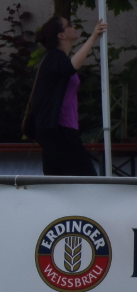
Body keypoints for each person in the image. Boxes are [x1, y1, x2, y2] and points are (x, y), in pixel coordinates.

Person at [24, 14, 107, 175]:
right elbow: (70, 66)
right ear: (61, 35)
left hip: (62, 130)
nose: (73, 26)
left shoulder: (57, 58)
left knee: (57, 183)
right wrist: (93, 37)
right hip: (56, 131)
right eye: (69, 25)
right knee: (86, 179)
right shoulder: (53, 57)